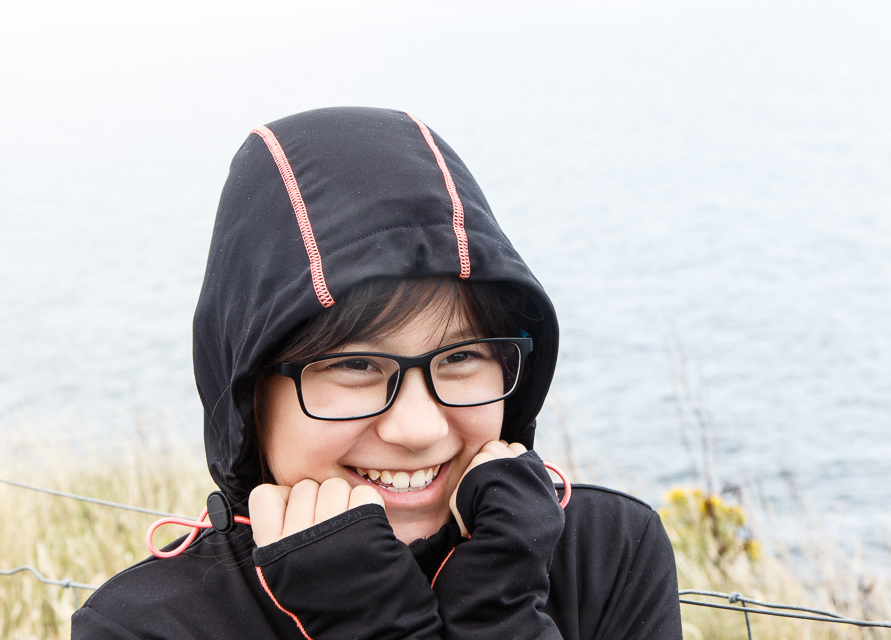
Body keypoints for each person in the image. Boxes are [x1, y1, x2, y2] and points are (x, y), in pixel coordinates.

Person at [71, 106, 683, 639]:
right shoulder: (150, 625)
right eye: (356, 365)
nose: (418, 429)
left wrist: (500, 606)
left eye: (461, 357)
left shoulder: (606, 552)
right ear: (250, 395)